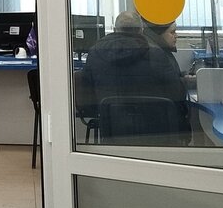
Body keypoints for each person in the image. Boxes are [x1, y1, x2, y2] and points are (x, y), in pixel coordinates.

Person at [79, 10, 189, 140]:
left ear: (114, 29)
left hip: (112, 129)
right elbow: (177, 93)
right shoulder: (156, 54)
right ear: (141, 30)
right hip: (155, 132)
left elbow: (86, 95)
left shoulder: (95, 53)